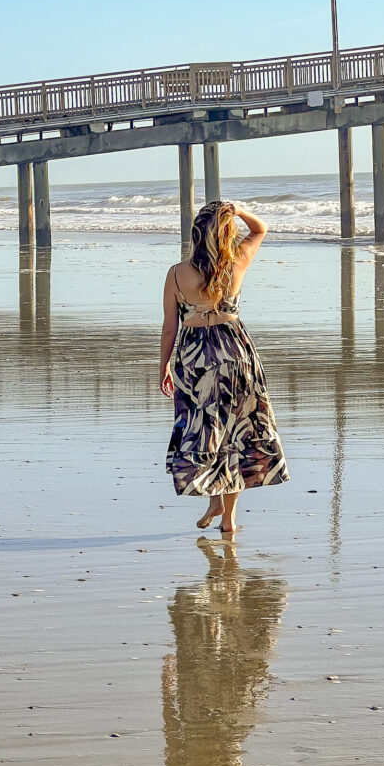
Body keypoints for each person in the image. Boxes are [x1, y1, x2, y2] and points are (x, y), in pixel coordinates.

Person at [160, 200, 289, 534]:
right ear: (226, 234)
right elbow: (261, 229)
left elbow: (169, 326)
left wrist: (164, 366)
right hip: (235, 352)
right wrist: (242, 211)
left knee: (206, 431)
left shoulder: (176, 274)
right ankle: (228, 517)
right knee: (236, 432)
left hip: (194, 358)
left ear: (195, 235)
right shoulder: (237, 262)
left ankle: (215, 499)